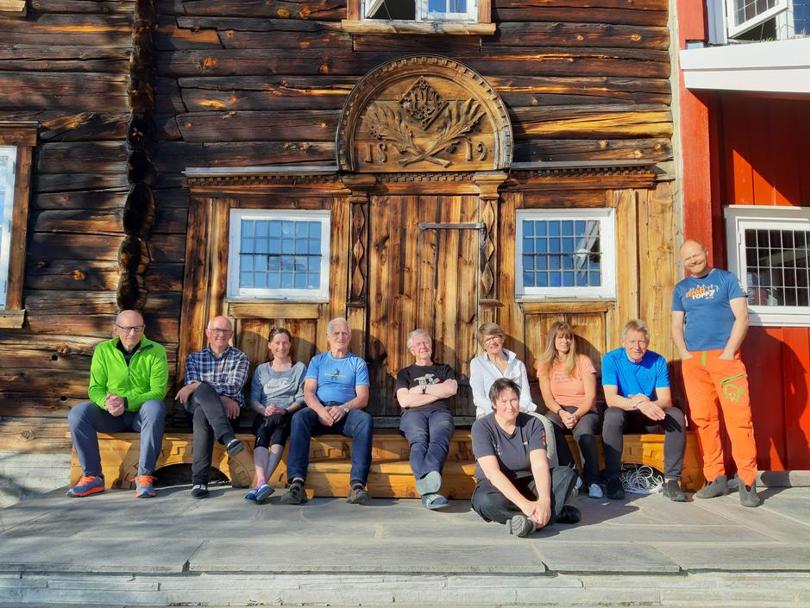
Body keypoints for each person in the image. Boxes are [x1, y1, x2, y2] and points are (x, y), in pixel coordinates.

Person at [672, 239, 760, 507]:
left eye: (696, 255)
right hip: (695, 363)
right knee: (703, 420)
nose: (693, 261)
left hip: (725, 359)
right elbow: (676, 325)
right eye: (687, 259)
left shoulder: (726, 279)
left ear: (705, 252)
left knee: (739, 419)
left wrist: (729, 351)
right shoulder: (681, 288)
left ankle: (747, 482)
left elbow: (742, 317)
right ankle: (715, 478)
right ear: (683, 262)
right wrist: (686, 354)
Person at [67, 309, 168, 498]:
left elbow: (158, 391)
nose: (133, 333)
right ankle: (93, 477)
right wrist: (107, 403)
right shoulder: (103, 350)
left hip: (141, 417)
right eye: (128, 328)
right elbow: (95, 388)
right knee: (78, 413)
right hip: (111, 415)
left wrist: (127, 401)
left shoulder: (156, 351)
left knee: (155, 406)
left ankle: (144, 476)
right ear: (116, 329)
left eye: (138, 328)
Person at [471, 378, 580, 537]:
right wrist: (526, 506)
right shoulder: (482, 427)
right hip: (497, 486)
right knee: (485, 502)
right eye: (503, 401)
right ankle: (550, 515)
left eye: (514, 400)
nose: (510, 406)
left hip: (528, 481)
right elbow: (492, 473)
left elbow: (539, 464)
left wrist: (544, 500)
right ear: (494, 404)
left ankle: (531, 521)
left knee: (566, 474)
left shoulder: (533, 423)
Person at [280, 317, 373, 505]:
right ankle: (296, 484)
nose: (341, 337)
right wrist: (320, 410)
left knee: (365, 420)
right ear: (328, 337)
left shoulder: (357, 363)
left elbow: (363, 398)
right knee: (299, 418)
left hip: (345, 412)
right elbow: (308, 392)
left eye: (345, 333)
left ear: (350, 337)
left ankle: (357, 486)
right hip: (319, 411)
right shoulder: (318, 361)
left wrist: (344, 408)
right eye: (336, 333)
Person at [601, 319, 687, 502]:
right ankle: (613, 479)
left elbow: (665, 399)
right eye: (632, 341)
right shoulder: (611, 359)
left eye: (641, 342)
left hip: (650, 415)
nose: (637, 347)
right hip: (625, 413)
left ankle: (671, 480)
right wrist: (639, 403)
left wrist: (648, 405)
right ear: (624, 342)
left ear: (647, 343)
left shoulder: (658, 361)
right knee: (612, 416)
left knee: (676, 415)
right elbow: (611, 399)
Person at [175, 315, 254, 498]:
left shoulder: (240, 358)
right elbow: (192, 388)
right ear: (208, 333)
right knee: (201, 397)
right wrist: (220, 396)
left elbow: (234, 386)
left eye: (225, 330)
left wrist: (199, 385)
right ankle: (228, 439)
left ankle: (200, 482)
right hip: (199, 407)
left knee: (202, 412)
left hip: (229, 414)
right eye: (217, 330)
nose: (221, 334)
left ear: (231, 334)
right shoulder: (194, 358)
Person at [470, 322, 560, 466]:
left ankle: (551, 469)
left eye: (495, 337)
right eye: (487, 340)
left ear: (502, 338)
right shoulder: (477, 364)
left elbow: (525, 396)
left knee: (545, 423)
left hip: (518, 411)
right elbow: (479, 398)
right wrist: (500, 411)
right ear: (483, 345)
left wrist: (516, 410)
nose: (492, 342)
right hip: (489, 412)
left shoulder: (517, 364)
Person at [537, 321, 603, 499]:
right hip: (559, 410)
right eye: (560, 337)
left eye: (568, 337)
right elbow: (548, 399)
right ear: (553, 340)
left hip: (585, 410)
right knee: (548, 426)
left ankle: (593, 481)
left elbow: (590, 397)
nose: (565, 341)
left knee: (584, 434)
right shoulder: (545, 365)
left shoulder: (583, 361)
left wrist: (576, 415)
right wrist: (561, 413)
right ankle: (572, 473)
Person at [395, 329, 458, 510]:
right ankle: (430, 490)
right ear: (412, 350)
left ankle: (427, 491)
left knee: (439, 438)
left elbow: (451, 390)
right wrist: (436, 391)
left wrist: (420, 390)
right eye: (418, 344)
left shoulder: (444, 369)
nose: (423, 346)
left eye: (426, 343)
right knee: (419, 440)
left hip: (440, 413)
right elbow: (404, 400)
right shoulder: (405, 373)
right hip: (412, 414)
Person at [244, 327, 306, 505]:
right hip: (264, 414)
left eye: (285, 342)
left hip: (287, 414)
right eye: (277, 343)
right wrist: (265, 410)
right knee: (265, 429)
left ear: (290, 344)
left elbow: (301, 398)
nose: (281, 346)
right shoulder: (262, 370)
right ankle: (262, 482)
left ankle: (260, 484)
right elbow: (254, 399)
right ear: (270, 345)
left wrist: (284, 410)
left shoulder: (299, 368)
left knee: (279, 425)